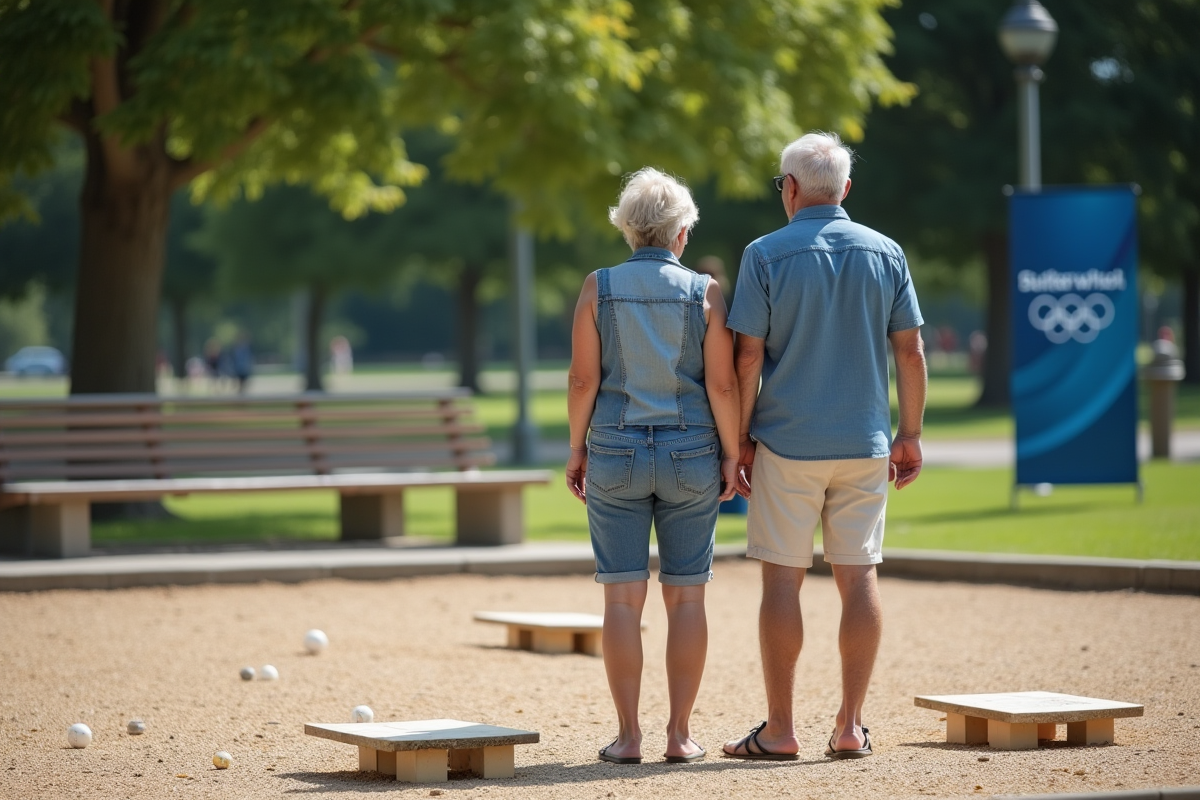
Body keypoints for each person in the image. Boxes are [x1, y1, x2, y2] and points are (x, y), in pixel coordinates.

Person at [721, 132, 927, 761]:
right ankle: (850, 725)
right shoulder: (886, 252)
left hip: (786, 442)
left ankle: (780, 729)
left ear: (789, 188)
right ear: (845, 189)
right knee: (857, 575)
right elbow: (911, 351)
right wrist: (910, 433)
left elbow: (748, 354)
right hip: (864, 442)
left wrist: (742, 438)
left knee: (783, 582)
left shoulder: (763, 254)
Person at [565, 167, 742, 765]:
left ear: (626, 228)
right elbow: (721, 383)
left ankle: (628, 737)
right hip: (691, 451)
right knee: (687, 599)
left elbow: (584, 378)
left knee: (621, 600)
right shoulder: (707, 292)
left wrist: (575, 447)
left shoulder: (598, 286)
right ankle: (680, 735)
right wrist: (731, 452)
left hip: (614, 450)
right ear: (682, 232)